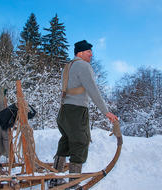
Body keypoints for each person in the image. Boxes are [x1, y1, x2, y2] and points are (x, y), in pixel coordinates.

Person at [50, 40, 118, 188]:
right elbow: (93, 90)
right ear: (80, 53)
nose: (91, 55)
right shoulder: (83, 66)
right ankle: (73, 183)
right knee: (80, 142)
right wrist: (106, 112)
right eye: (89, 52)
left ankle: (54, 179)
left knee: (66, 140)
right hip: (77, 110)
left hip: (64, 110)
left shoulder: (68, 66)